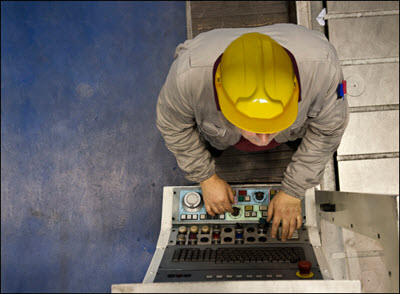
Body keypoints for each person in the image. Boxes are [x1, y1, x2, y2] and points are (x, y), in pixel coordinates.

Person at [156, 24, 349, 241]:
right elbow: (173, 126)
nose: (264, 140)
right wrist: (206, 177)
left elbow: (328, 132)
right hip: (218, 134)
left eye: (274, 124)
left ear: (296, 88)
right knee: (209, 145)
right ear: (222, 98)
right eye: (252, 126)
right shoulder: (187, 76)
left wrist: (294, 190)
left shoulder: (323, 69)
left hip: (295, 129)